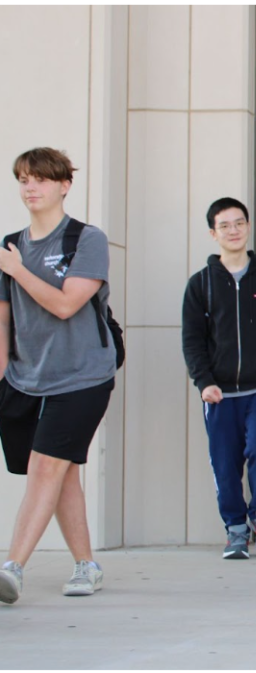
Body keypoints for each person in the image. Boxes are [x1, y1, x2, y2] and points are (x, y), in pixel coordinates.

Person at [0, 148, 116, 604]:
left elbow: (67, 304)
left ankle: (13, 567)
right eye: (24, 180)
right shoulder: (11, 244)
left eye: (41, 180)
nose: (31, 188)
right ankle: (87, 566)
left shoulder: (87, 239)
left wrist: (17, 270)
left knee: (46, 467)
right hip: (27, 378)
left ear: (64, 185)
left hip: (83, 376)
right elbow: (3, 320)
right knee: (61, 474)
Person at [182, 197, 256, 560]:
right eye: (225, 225)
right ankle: (235, 530)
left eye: (239, 223)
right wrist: (204, 383)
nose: (233, 230)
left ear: (248, 227)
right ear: (213, 234)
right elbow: (193, 341)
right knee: (224, 462)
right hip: (219, 391)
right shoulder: (201, 284)